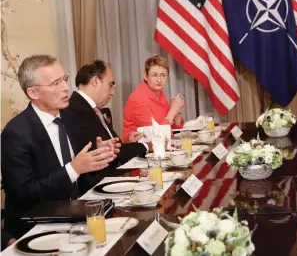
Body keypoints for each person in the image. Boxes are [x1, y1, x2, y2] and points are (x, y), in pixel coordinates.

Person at [1, 55, 118, 238]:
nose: (66, 88)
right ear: (33, 93)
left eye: (64, 79)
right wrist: (73, 168)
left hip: (78, 216)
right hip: (37, 228)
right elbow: (26, 195)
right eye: (55, 83)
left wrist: (98, 156)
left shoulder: (70, 118)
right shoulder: (16, 133)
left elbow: (82, 174)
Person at [64, 60, 150, 166]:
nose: (113, 93)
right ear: (96, 81)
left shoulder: (90, 107)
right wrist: (146, 146)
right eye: (110, 85)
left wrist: (129, 143)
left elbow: (114, 147)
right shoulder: (75, 110)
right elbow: (112, 152)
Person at [122, 56, 184, 142]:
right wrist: (172, 111)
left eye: (163, 75)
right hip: (139, 151)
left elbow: (172, 130)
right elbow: (154, 137)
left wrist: (177, 113)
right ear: (146, 76)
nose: (159, 80)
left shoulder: (159, 93)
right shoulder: (138, 98)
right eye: (154, 75)